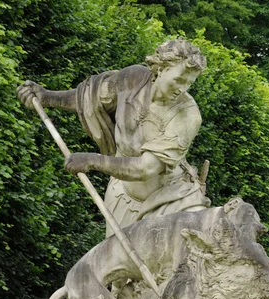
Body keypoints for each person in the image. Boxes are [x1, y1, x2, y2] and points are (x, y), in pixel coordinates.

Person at [17, 39, 211, 237]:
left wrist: (92, 160)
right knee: (118, 264)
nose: (183, 88)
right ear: (161, 69)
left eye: (189, 83)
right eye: (179, 80)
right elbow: (89, 98)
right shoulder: (132, 80)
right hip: (123, 197)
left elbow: (147, 168)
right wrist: (47, 97)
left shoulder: (188, 115)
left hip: (171, 201)